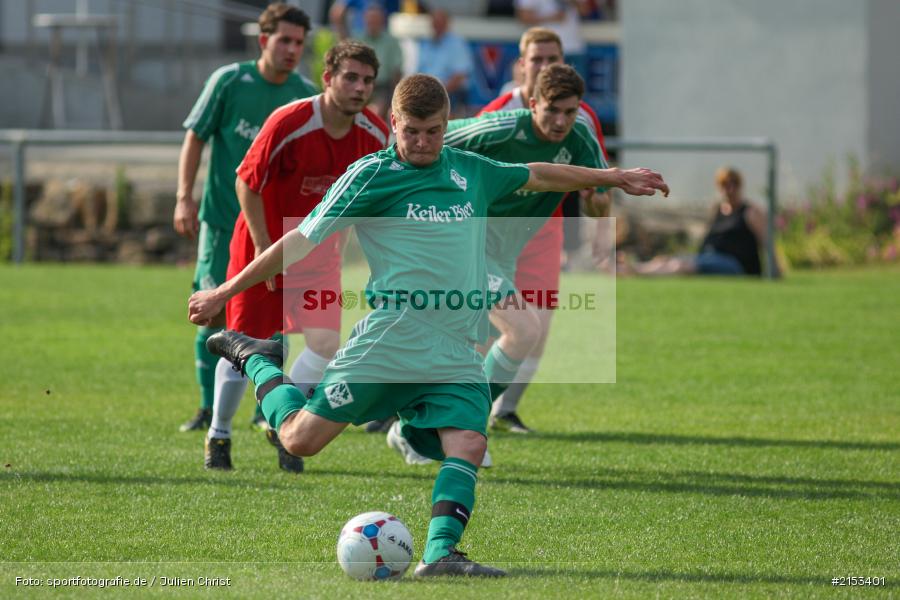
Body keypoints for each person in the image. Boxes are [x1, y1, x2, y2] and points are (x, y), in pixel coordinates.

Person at [188, 74, 667, 577]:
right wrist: (225, 291)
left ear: (444, 126)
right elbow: (300, 240)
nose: (422, 143)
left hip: (458, 345)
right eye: (412, 131)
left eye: (433, 132)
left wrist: (611, 177)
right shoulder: (370, 175)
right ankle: (259, 360)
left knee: (469, 442)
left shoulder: (469, 170)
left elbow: (539, 175)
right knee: (300, 440)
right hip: (392, 339)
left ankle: (439, 554)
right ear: (393, 122)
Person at [204, 41, 389, 473]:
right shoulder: (290, 121)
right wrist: (266, 245)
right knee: (244, 347)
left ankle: (281, 420)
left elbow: (373, 201)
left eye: (367, 80)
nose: (359, 87)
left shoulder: (375, 134)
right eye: (350, 77)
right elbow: (246, 183)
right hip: (261, 247)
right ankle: (219, 434)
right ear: (328, 79)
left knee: (325, 346)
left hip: (320, 254)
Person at [442, 63, 609, 448]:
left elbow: (601, 203)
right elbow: (433, 140)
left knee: (471, 344)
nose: (561, 121)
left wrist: (596, 198)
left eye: (570, 112)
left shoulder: (581, 137)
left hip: (504, 253)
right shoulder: (502, 126)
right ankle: (463, 422)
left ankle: (426, 424)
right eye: (552, 110)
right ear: (533, 103)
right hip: (466, 242)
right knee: (523, 329)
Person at [174, 3, 318, 433]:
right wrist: (184, 197)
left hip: (274, 231)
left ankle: (265, 405)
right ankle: (207, 409)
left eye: (299, 43)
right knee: (214, 311)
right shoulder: (230, 80)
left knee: (276, 321)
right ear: (263, 41)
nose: (292, 49)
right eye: (284, 41)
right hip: (221, 221)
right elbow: (195, 136)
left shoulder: (303, 96)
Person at [622, 167, 770, 277]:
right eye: (724, 184)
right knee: (666, 259)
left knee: (680, 265)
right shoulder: (718, 210)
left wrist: (775, 270)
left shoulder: (750, 212)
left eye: (733, 184)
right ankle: (630, 267)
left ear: (740, 186)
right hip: (709, 256)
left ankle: (637, 271)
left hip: (735, 264)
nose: (729, 189)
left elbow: (767, 243)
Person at [415, 9, 474, 118]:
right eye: (435, 22)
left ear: (447, 24)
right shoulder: (426, 43)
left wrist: (439, 91)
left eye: (440, 22)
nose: (437, 26)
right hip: (427, 91)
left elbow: (459, 77)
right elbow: (419, 72)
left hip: (450, 91)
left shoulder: (457, 44)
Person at [514, 0, 591, 78]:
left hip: (574, 48)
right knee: (543, 87)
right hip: (544, 52)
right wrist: (552, 17)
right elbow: (524, 18)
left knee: (575, 88)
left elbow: (585, 11)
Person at [358, 2, 404, 120]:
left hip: (382, 88)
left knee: (374, 112)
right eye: (370, 20)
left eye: (376, 20)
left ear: (382, 21)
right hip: (359, 84)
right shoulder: (357, 39)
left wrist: (396, 98)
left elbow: (397, 71)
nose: (373, 23)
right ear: (365, 20)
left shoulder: (392, 42)